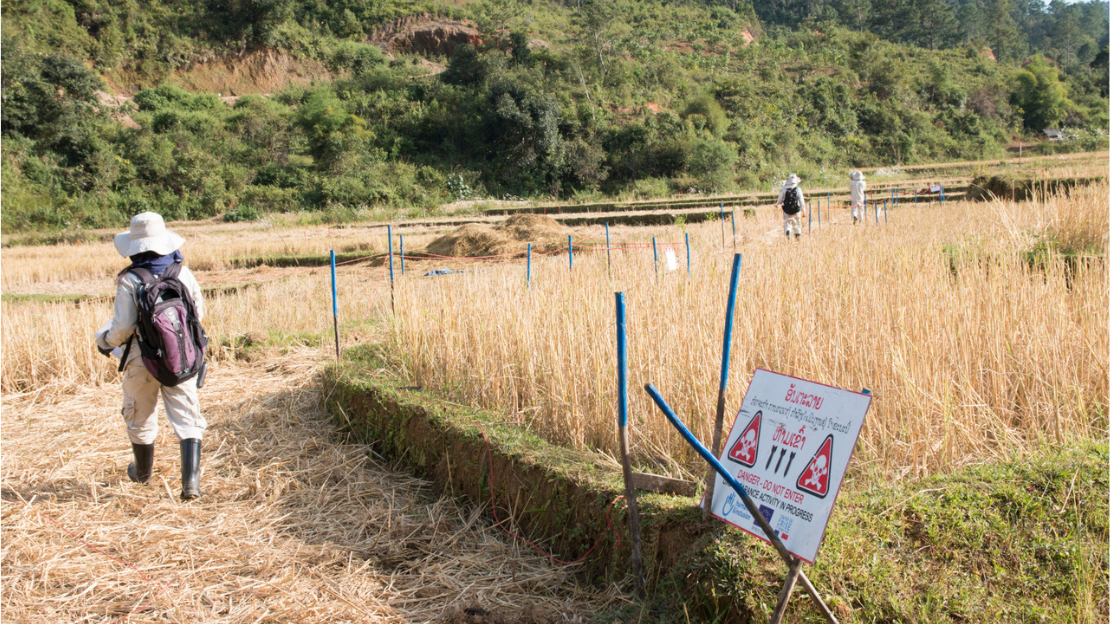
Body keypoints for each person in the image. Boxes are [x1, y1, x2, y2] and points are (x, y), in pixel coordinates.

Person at [94, 212, 207, 500]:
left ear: (135, 246)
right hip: (180, 357)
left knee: (139, 415)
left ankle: (142, 473)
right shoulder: (182, 273)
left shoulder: (132, 279)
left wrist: (105, 342)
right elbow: (198, 315)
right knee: (187, 416)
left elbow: (122, 327)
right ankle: (190, 485)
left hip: (140, 358)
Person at [775, 173, 806, 239]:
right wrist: (804, 211)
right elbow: (801, 201)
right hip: (796, 210)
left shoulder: (784, 189)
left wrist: (777, 204)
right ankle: (797, 237)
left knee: (787, 224)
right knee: (797, 224)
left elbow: (780, 199)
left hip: (787, 210)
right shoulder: (798, 190)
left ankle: (788, 234)